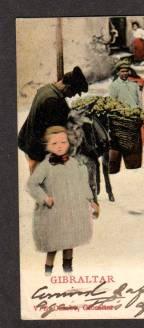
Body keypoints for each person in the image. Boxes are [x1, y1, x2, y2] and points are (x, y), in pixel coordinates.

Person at [27, 126, 99, 275]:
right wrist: (45, 198)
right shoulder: (45, 166)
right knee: (53, 246)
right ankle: (48, 273)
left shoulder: (74, 164)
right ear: (47, 146)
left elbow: (83, 183)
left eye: (63, 142)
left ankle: (68, 271)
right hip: (54, 213)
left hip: (72, 210)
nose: (59, 146)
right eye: (54, 144)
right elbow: (31, 184)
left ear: (68, 143)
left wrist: (91, 201)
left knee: (69, 243)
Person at [18, 66, 88, 174]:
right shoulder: (53, 101)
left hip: (29, 143)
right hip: (38, 152)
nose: (72, 96)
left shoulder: (47, 89)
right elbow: (55, 133)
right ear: (68, 86)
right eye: (74, 92)